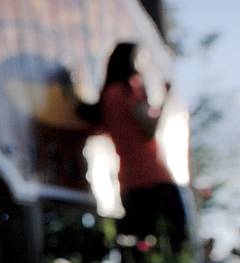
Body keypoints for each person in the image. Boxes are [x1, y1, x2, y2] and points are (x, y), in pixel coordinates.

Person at [78, 42, 187, 252]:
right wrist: (164, 99)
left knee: (143, 244)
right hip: (154, 175)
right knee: (175, 240)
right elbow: (149, 128)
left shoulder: (107, 96)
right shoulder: (129, 88)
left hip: (129, 179)